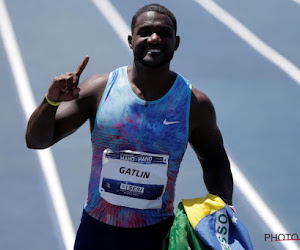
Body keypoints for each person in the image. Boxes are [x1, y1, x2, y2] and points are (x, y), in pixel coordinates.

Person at [26, 3, 233, 250]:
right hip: (97, 232)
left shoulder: (194, 104)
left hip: (157, 236)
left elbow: (215, 162)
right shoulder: (99, 90)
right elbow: (36, 140)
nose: (154, 38)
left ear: (176, 42)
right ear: (130, 40)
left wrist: (223, 220)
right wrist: (51, 101)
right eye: (145, 31)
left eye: (164, 33)